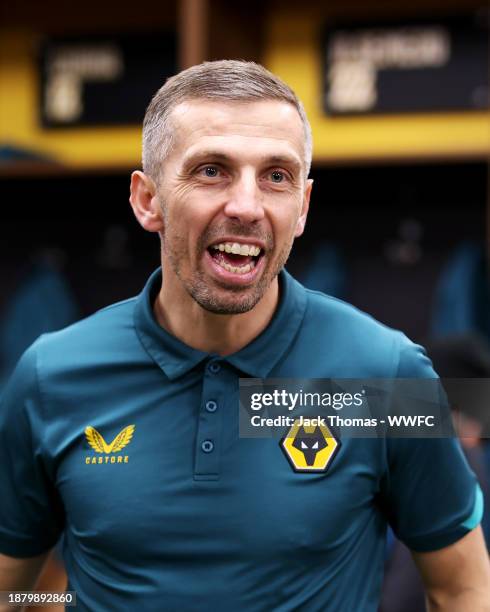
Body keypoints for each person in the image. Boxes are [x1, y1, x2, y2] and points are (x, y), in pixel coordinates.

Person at [0, 60, 489, 612]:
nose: (247, 207)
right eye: (212, 170)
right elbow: (12, 587)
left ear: (302, 207)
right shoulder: (49, 377)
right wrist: (51, 601)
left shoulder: (390, 374)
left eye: (276, 176)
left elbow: (461, 587)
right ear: (147, 199)